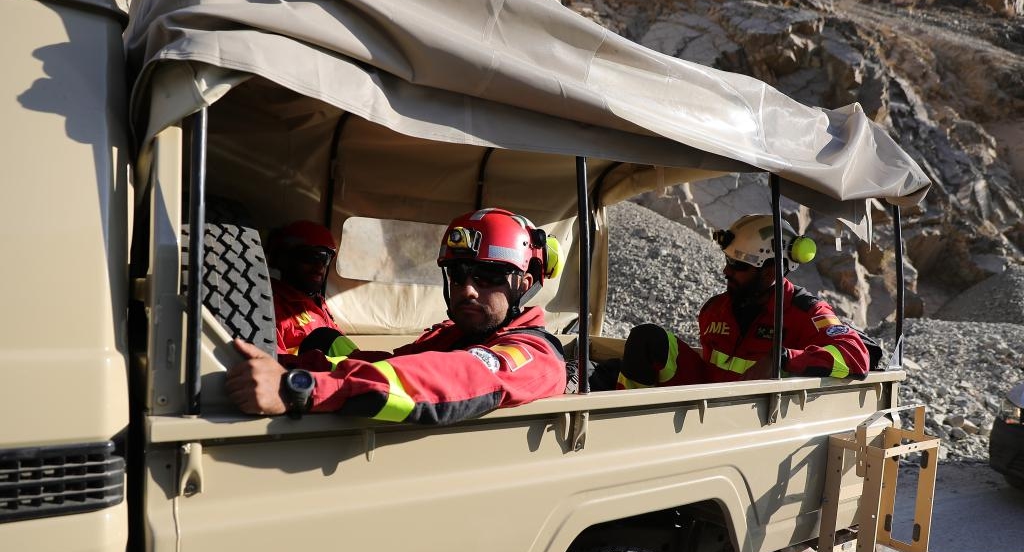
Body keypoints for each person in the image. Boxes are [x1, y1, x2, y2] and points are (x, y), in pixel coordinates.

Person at [227, 208, 567, 424]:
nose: (468, 290)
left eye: (489, 277)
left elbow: (460, 376)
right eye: (458, 274)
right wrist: (289, 365)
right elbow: (389, 364)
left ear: (522, 285)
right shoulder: (452, 334)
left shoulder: (533, 354)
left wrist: (300, 388)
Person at [617, 214, 871, 388]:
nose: (727, 271)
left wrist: (781, 358)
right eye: (728, 261)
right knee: (647, 338)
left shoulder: (804, 312)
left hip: (753, 423)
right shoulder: (714, 310)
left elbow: (856, 356)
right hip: (703, 408)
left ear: (771, 271)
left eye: (738, 265)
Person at [267, 220, 352, 357]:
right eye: (310, 257)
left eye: (325, 258)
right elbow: (273, 363)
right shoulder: (272, 306)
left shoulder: (318, 303)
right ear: (283, 259)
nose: (320, 267)